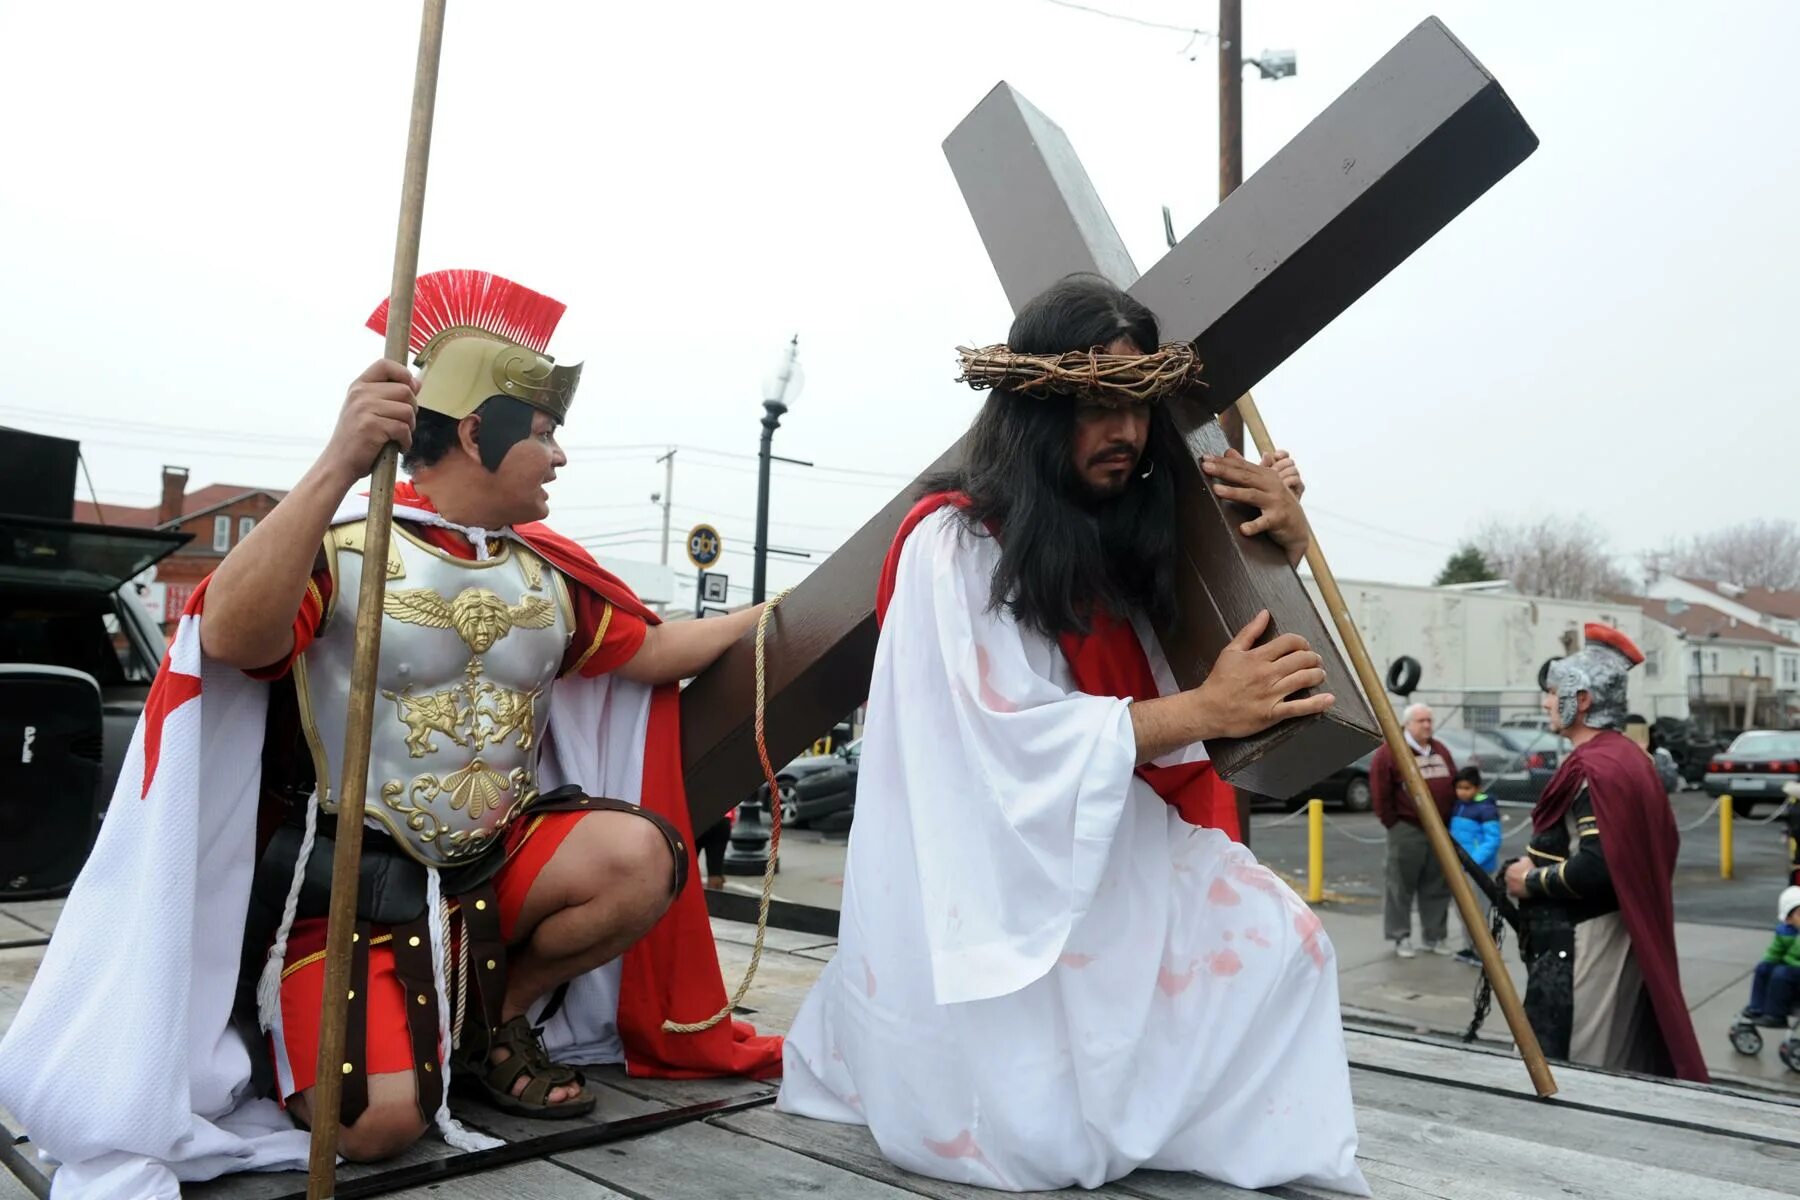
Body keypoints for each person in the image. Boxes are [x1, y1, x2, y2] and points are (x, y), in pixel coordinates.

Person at [0, 271, 782, 1196]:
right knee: (374, 1128)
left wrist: (779, 615)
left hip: (496, 860)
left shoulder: (549, 577)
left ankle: (498, 1022)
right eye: (541, 433)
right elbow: (235, 638)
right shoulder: (338, 549)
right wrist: (339, 458)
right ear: (476, 432)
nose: (559, 456)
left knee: (642, 854)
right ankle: (306, 1023)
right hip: (352, 886)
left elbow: (650, 653)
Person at [777, 274, 1366, 1195]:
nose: (1125, 433)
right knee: (1030, 1126)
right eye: (1096, 404)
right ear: (1036, 410)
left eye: (1137, 405)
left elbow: (1217, 658)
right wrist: (1206, 712)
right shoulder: (956, 546)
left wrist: (1276, 545)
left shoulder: (1122, 536)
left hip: (1099, 836)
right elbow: (999, 746)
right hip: (990, 870)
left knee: (1286, 947)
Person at [1501, 623, 1707, 1080]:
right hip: (1617, 928)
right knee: (1611, 1059)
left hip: (1590, 939)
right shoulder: (1627, 757)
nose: (1547, 702)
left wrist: (1527, 880)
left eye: (1554, 692)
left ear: (1584, 699)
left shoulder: (1600, 768)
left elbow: (1600, 865)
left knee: (1576, 1066)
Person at [1371, 703, 1457, 958]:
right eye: (1421, 721)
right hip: (1407, 829)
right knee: (1400, 885)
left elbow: (1453, 780)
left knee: (1437, 885)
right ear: (1408, 724)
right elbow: (1380, 792)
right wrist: (1393, 823)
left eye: (1429, 720)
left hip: (1440, 830)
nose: (1427, 725)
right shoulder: (1391, 753)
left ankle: (1435, 937)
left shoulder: (1440, 750)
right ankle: (1401, 937)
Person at [1449, 765, 1501, 966]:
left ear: (1477, 788)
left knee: (1479, 911)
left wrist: (1473, 862)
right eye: (1459, 787)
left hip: (1479, 870)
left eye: (1467, 788)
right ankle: (1470, 947)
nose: (1462, 792)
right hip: (1461, 868)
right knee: (1463, 910)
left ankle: (1485, 952)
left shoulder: (1486, 808)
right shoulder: (1458, 805)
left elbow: (1493, 840)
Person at [1741, 886, 1800, 1027]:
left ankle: (1777, 1015)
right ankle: (1757, 1006)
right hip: (1792, 967)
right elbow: (1775, 952)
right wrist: (1768, 963)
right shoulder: (1785, 931)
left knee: (1781, 973)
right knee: (1763, 968)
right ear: (1788, 919)